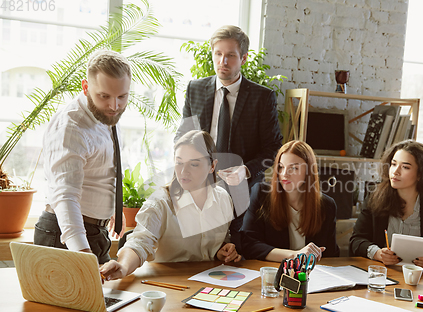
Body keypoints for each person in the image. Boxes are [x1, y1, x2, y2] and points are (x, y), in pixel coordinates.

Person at [175, 25, 282, 249]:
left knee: (235, 249)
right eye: (218, 54)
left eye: (230, 55)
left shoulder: (262, 97)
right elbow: (183, 137)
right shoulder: (195, 88)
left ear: (243, 58)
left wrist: (246, 170)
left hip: (241, 188)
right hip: (199, 183)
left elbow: (273, 148)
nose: (223, 61)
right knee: (197, 247)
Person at [100, 130, 241, 281]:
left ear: (212, 166)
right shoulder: (160, 203)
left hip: (210, 283)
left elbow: (221, 239)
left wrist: (222, 250)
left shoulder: (223, 199)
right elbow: (139, 242)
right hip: (170, 285)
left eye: (194, 164)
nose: (183, 171)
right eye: (179, 162)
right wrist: (124, 266)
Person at [34, 50, 129, 264]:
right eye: (104, 96)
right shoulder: (71, 127)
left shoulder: (107, 113)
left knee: (108, 298)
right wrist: (83, 254)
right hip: (64, 236)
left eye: (122, 96)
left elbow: (103, 168)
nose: (115, 106)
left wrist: (113, 206)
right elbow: (65, 196)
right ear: (86, 87)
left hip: (96, 233)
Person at [349, 140, 423, 271]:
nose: (395, 172)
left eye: (405, 167)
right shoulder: (374, 197)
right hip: (382, 276)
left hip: (422, 280)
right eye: (393, 164)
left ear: (420, 174)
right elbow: (356, 241)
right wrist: (377, 253)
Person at [240, 140, 340, 262]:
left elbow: (331, 255)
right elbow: (249, 244)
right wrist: (295, 255)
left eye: (293, 168)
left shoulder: (327, 206)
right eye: (281, 167)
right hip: (272, 273)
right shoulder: (261, 193)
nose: (284, 174)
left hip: (312, 276)